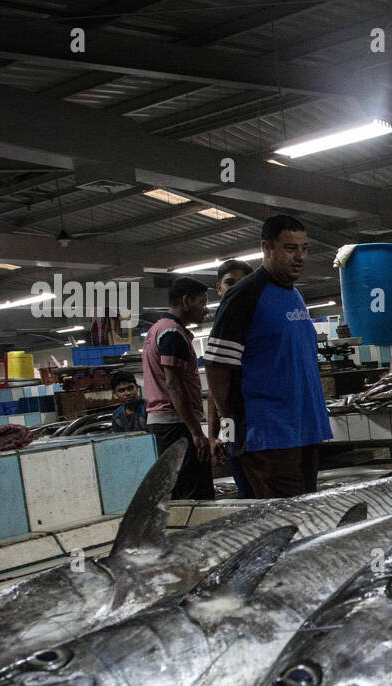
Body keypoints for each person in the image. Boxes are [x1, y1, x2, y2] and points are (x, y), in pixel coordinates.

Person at [203, 213, 332, 498]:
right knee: (288, 520)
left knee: (306, 513)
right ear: (267, 248)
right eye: (290, 248)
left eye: (304, 248)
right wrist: (232, 431)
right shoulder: (244, 295)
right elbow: (216, 369)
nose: (299, 256)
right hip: (268, 436)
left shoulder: (293, 294)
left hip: (304, 428)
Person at [142, 277, 217, 499]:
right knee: (195, 495)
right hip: (176, 424)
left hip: (167, 424)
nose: (205, 310)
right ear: (186, 301)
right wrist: (195, 432)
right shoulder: (171, 333)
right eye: (202, 303)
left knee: (178, 490)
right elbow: (173, 385)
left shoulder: (157, 329)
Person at [211, 258, 255, 499]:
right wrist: (217, 436)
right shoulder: (221, 328)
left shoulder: (256, 323)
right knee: (246, 493)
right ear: (219, 288)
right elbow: (216, 389)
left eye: (243, 283)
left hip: (261, 424)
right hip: (236, 427)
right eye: (229, 283)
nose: (236, 288)